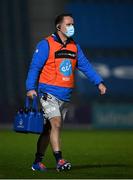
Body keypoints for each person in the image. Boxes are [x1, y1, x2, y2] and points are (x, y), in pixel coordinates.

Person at [26, 13, 107, 172]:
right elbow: (34, 67)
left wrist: (99, 82)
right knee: (56, 123)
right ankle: (60, 160)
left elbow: (86, 66)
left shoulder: (74, 46)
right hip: (47, 92)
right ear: (59, 27)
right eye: (69, 24)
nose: (72, 27)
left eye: (73, 24)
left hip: (64, 96)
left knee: (48, 129)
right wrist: (30, 88)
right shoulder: (45, 45)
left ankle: (37, 162)